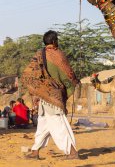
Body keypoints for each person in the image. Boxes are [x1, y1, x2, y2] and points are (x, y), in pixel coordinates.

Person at [21, 30, 80, 160]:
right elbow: (69, 76)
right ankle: (35, 151)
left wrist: (37, 89)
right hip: (53, 98)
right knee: (44, 125)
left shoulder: (39, 55)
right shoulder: (59, 55)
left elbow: (27, 74)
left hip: (44, 96)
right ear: (54, 41)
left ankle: (72, 151)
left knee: (57, 125)